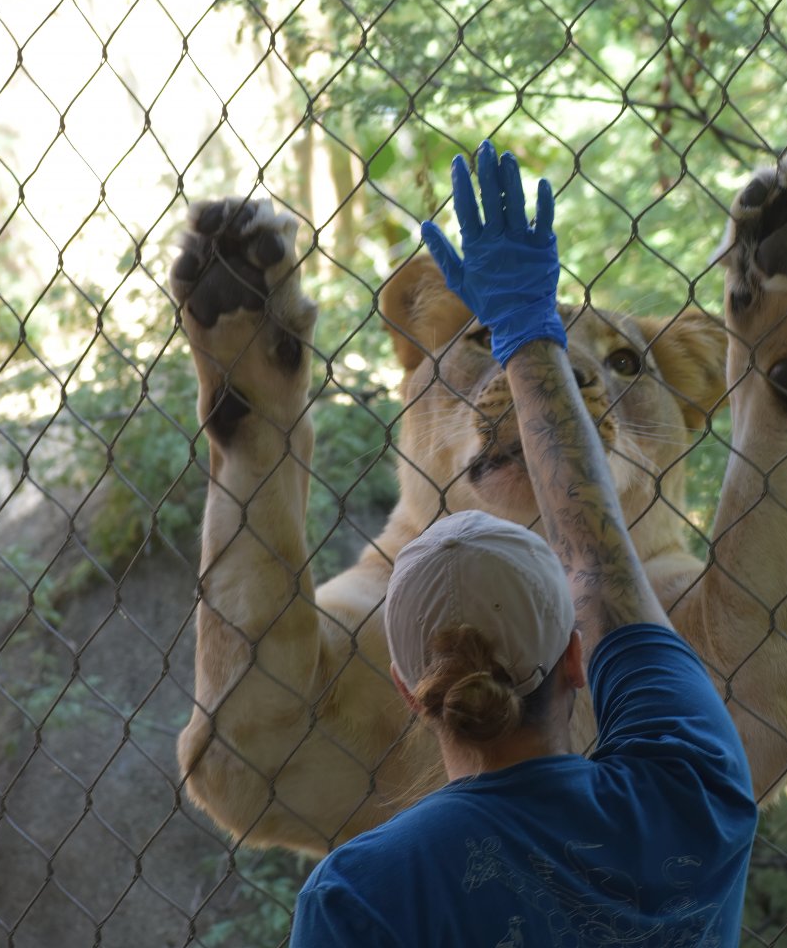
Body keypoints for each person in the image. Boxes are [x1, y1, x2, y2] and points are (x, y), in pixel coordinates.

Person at [289, 141, 758, 946]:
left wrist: (511, 333)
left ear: (407, 687)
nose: (588, 370)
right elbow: (598, 561)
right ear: (582, 656)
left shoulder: (361, 893)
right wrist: (527, 330)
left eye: (613, 361)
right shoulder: (694, 796)